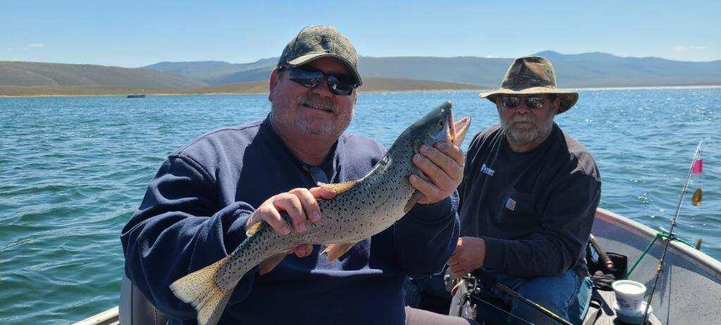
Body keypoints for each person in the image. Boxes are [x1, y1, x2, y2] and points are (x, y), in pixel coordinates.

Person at [120, 25, 463, 324]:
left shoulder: (378, 161)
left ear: (353, 100)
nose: (324, 90)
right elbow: (147, 255)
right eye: (307, 76)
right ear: (274, 82)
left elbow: (424, 264)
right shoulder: (207, 160)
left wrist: (433, 205)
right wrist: (240, 230)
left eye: (340, 84)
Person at [445, 56, 601, 324]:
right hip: (476, 261)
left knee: (539, 306)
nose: (521, 110)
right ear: (498, 106)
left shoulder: (576, 168)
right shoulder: (484, 142)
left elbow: (558, 253)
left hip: (545, 274)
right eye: (510, 102)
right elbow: (457, 202)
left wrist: (484, 252)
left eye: (534, 102)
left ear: (554, 106)